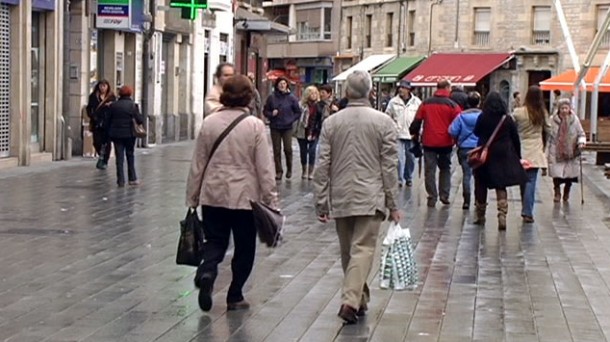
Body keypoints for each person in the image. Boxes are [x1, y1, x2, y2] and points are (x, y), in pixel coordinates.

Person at [313, 70, 400, 325]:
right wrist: (392, 202)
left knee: (348, 251)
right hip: (370, 195)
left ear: (347, 93)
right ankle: (351, 300)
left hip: (341, 193)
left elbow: (323, 164)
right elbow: (389, 166)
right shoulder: (384, 122)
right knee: (362, 249)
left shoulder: (332, 123)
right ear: (371, 92)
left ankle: (358, 300)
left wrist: (321, 200)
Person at [186, 75, 278, 312]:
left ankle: (207, 271)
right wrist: (271, 200)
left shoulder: (210, 122)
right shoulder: (254, 125)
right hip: (244, 198)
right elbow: (265, 168)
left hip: (213, 193)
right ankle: (235, 294)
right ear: (248, 96)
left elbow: (198, 163)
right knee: (245, 246)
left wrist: (192, 196)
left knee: (215, 240)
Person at [473, 92, 528, 230]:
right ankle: (502, 214)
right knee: (500, 184)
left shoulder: (483, 117)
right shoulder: (507, 119)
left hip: (485, 154)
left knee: (481, 183)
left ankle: (480, 215)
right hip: (503, 154)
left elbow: (476, 132)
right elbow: (515, 138)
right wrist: (518, 156)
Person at [409, 80, 461, 207]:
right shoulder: (453, 105)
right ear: (447, 88)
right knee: (445, 168)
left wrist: (413, 132)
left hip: (429, 141)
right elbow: (458, 123)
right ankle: (444, 195)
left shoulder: (425, 103)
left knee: (430, 170)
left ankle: (432, 196)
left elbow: (417, 122)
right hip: (446, 142)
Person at [512, 85, 551, 223]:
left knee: (523, 181)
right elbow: (549, 129)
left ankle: (525, 207)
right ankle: (527, 211)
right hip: (535, 149)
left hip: (521, 149)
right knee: (531, 181)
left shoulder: (518, 112)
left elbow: (511, 127)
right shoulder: (542, 112)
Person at [448, 91, 482, 210]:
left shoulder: (461, 116)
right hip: (479, 149)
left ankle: (466, 200)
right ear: (479, 103)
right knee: (479, 176)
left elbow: (452, 131)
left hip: (464, 148)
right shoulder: (482, 116)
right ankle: (479, 200)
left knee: (466, 174)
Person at [547, 99, 586, 202]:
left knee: (569, 175)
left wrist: (581, 142)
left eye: (566, 108)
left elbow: (581, 133)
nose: (564, 110)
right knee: (556, 174)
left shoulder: (575, 120)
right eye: (562, 108)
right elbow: (548, 135)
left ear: (569, 109)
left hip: (571, 151)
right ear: (558, 109)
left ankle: (567, 191)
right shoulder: (552, 120)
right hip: (555, 151)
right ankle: (557, 192)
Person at [105, 86, 144, 187]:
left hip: (116, 134)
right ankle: (132, 178)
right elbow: (140, 120)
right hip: (129, 134)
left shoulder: (113, 105)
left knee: (119, 157)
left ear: (120, 94)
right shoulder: (133, 106)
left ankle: (120, 180)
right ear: (130, 94)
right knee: (130, 155)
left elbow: (107, 120)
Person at [263, 77, 301, 180]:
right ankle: (278, 171)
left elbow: (298, 112)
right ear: (277, 85)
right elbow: (265, 111)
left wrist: (291, 119)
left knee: (288, 149)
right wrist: (271, 114)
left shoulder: (292, 98)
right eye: (280, 84)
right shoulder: (272, 97)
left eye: (284, 83)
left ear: (287, 85)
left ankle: (289, 168)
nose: (282, 85)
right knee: (276, 150)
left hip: (287, 127)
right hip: (275, 126)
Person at [385, 80, 422, 187]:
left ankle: (408, 177)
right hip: (398, 134)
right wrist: (393, 128)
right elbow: (388, 116)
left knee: (411, 158)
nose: (400, 89)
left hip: (411, 134)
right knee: (399, 158)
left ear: (408, 90)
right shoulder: (393, 102)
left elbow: (420, 118)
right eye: (400, 87)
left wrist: (419, 131)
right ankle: (399, 179)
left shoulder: (416, 102)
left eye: (403, 88)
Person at [295, 86, 323, 180]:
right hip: (303, 130)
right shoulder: (301, 105)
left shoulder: (319, 105)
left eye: (315, 93)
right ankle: (304, 170)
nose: (314, 95)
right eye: (311, 93)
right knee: (303, 151)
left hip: (315, 130)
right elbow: (297, 117)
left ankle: (311, 172)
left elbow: (320, 119)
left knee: (312, 151)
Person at [86, 79, 116, 170]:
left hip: (108, 122)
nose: (102, 88)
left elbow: (115, 108)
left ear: (107, 87)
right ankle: (101, 155)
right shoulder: (93, 96)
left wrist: (111, 105)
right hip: (97, 122)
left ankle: (105, 160)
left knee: (107, 142)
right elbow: (89, 108)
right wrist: (92, 116)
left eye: (104, 86)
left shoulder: (111, 97)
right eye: (101, 86)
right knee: (97, 142)